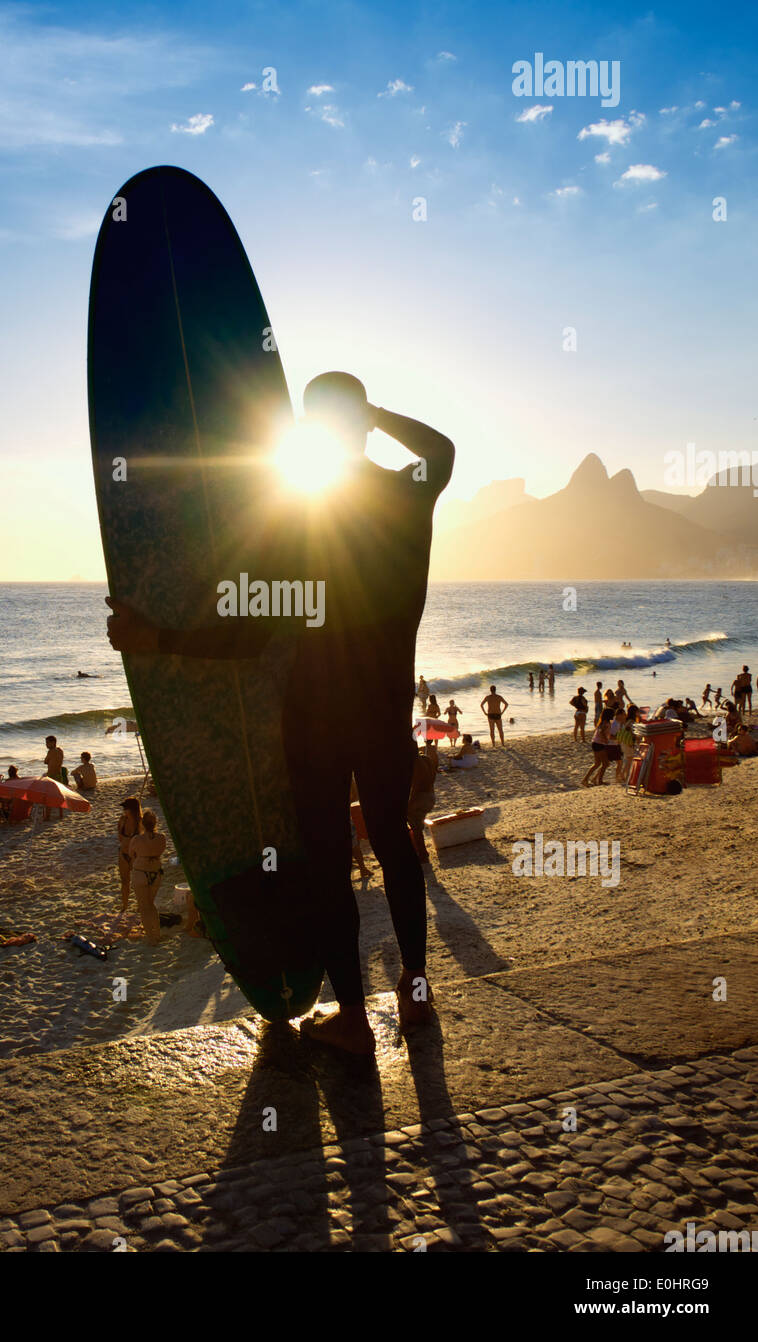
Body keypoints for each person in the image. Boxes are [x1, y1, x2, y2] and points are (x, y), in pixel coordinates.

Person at [107, 371, 454, 1055]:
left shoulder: (301, 515)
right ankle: (414, 997)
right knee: (393, 842)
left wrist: (159, 640)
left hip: (316, 710)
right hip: (383, 703)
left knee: (328, 860)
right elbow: (440, 449)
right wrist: (371, 412)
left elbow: (250, 633)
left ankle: (352, 1017)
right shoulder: (404, 495)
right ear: (359, 421)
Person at [129, 809, 166, 945]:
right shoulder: (161, 837)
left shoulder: (137, 839)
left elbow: (131, 854)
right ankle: (157, 933)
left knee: (144, 906)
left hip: (141, 871)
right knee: (151, 905)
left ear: (143, 824)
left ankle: (151, 937)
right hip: (155, 872)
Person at [407, 744, 436, 866]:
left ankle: (422, 855)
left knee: (415, 826)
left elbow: (417, 785)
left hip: (420, 798)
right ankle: (422, 852)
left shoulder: (415, 763)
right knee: (418, 825)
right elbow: (433, 777)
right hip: (430, 796)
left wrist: (410, 802)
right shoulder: (427, 759)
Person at [117, 796, 141, 911]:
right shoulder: (122, 820)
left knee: (137, 882)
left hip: (135, 856)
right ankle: (125, 906)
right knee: (125, 881)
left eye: (126, 808)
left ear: (132, 810)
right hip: (123, 854)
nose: (124, 811)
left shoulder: (140, 823)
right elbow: (120, 837)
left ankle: (139, 904)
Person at [582, 710, 614, 787]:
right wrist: (606, 740)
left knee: (597, 763)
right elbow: (602, 732)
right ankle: (599, 780)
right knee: (605, 764)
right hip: (599, 744)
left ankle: (586, 779)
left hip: (596, 743)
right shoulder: (606, 723)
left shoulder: (602, 722)